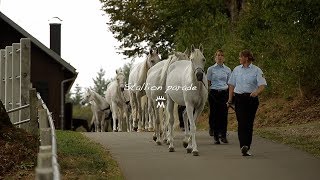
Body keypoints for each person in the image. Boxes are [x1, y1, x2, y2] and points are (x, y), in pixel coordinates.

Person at [227, 49, 267, 156]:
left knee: (249, 123)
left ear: (247, 58)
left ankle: (247, 147)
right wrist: (230, 100)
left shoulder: (257, 70)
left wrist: (256, 92)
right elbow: (231, 85)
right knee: (242, 122)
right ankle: (243, 146)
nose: (239, 59)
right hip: (239, 99)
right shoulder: (236, 69)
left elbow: (262, 85)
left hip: (251, 99)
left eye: (241, 57)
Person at [207, 49, 231, 144]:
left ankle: (223, 135)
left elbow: (230, 84)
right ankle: (216, 136)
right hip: (213, 93)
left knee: (224, 115)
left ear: (224, 57)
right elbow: (208, 83)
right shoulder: (210, 69)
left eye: (221, 55)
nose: (219, 57)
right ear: (215, 57)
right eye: (218, 55)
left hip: (224, 93)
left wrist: (230, 97)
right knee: (215, 114)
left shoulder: (228, 70)